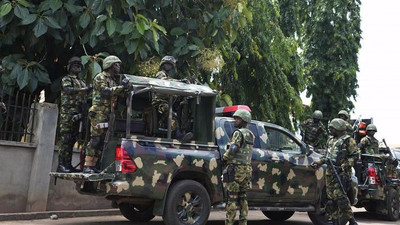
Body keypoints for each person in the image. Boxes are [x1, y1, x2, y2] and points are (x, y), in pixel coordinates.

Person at [83, 55, 128, 173]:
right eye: (116, 65)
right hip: (99, 112)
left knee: (103, 140)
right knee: (95, 139)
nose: (118, 67)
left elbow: (118, 95)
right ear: (110, 66)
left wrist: (124, 89)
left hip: (108, 113)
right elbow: (105, 91)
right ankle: (88, 165)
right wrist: (121, 87)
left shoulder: (112, 80)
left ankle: (94, 165)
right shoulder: (100, 77)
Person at [311, 118, 359, 225]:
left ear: (338, 128)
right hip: (330, 172)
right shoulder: (330, 140)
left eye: (332, 128)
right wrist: (318, 162)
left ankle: (352, 220)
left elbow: (355, 156)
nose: (330, 130)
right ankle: (335, 221)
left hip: (341, 173)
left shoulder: (348, 140)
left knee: (341, 198)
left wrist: (343, 166)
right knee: (330, 200)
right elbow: (327, 156)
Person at [57, 57, 92, 173]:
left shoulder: (81, 82)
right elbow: (67, 90)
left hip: (79, 113)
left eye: (79, 64)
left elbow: (85, 95)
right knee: (65, 139)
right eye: (74, 64)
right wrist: (84, 89)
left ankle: (68, 165)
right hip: (67, 113)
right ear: (69, 66)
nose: (77, 66)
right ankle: (61, 165)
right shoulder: (66, 79)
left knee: (72, 140)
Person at [222, 109, 254, 225]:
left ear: (243, 120)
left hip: (236, 170)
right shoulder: (251, 135)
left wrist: (225, 158)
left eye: (237, 118)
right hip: (247, 170)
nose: (235, 120)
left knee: (232, 198)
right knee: (243, 197)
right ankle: (243, 222)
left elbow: (234, 149)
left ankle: (229, 222)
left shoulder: (238, 133)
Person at [152, 55, 192, 141]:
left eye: (170, 65)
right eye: (167, 64)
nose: (168, 66)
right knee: (171, 114)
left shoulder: (169, 77)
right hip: (159, 102)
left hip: (167, 101)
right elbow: (164, 81)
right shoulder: (160, 74)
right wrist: (180, 82)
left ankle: (182, 130)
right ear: (163, 65)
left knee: (182, 107)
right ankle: (178, 134)